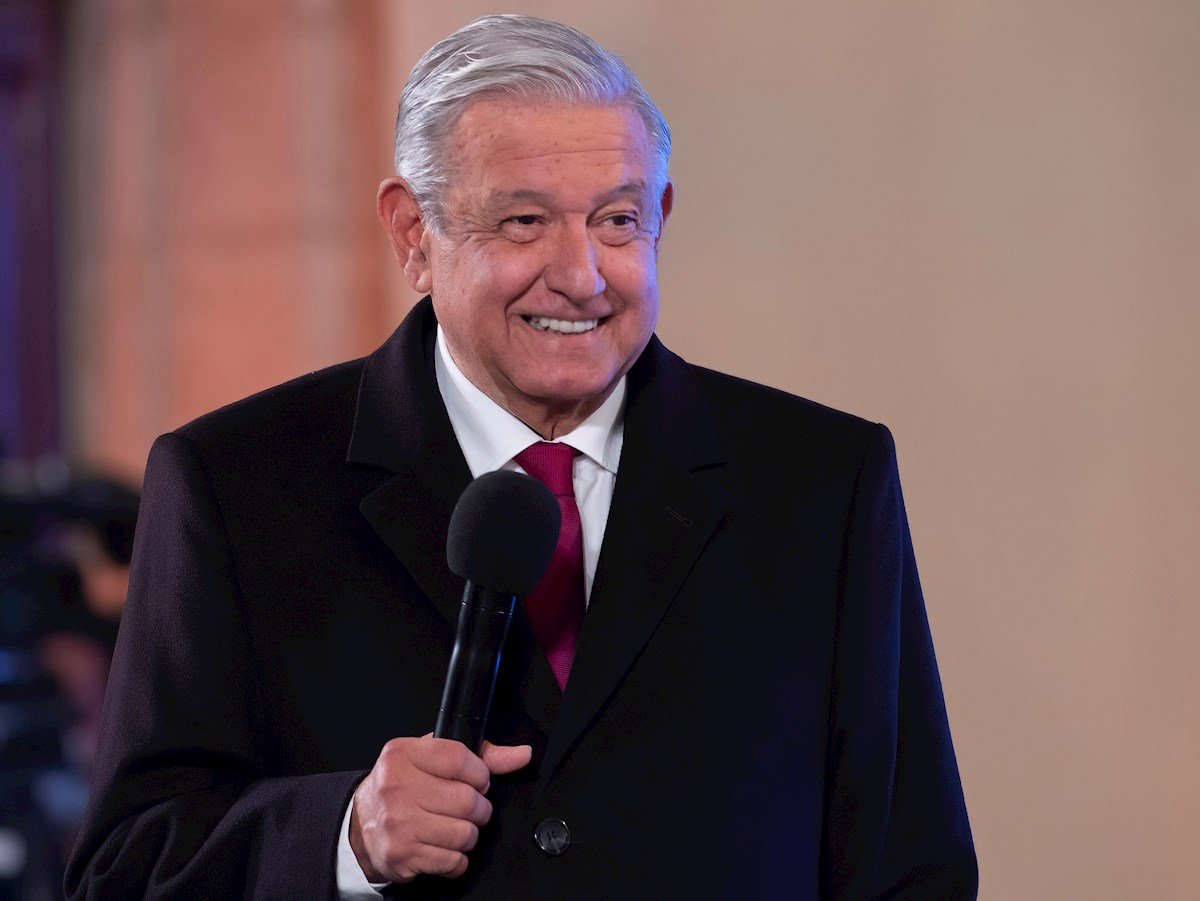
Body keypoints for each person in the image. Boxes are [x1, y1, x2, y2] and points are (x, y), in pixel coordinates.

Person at [66, 14, 977, 899]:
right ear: (413, 235)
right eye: (524, 222)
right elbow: (127, 866)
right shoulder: (234, 484)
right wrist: (345, 834)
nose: (582, 275)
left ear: (662, 213)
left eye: (617, 221)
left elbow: (908, 866)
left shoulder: (822, 482)